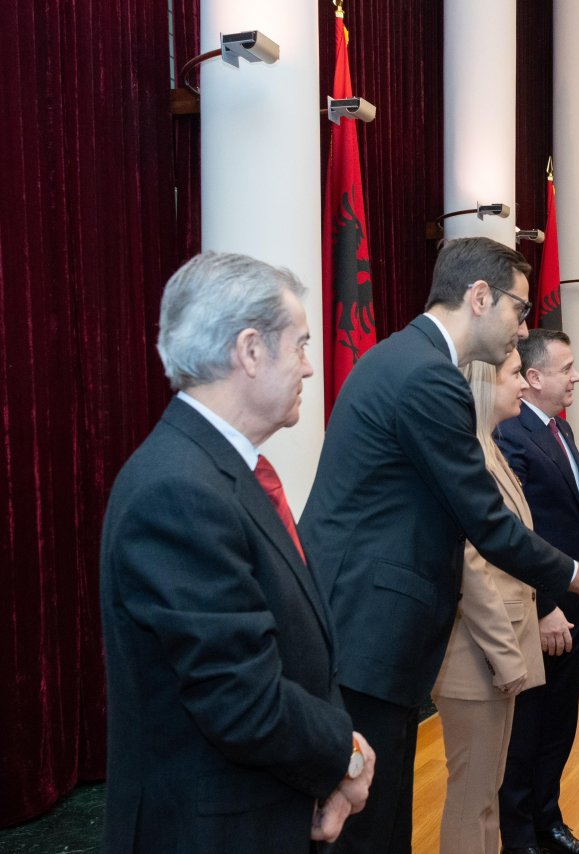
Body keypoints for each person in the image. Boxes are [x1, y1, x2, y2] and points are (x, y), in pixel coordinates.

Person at [299, 236, 579, 854]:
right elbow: (487, 522)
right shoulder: (429, 377)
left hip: (368, 631)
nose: (522, 326)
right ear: (480, 297)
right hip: (370, 634)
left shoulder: (403, 359)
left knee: (382, 821)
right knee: (368, 833)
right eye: (519, 309)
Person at [99, 252, 375, 852]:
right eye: (300, 345)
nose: (308, 368)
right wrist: (344, 757)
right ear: (251, 351)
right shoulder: (179, 489)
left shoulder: (216, 471)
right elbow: (241, 699)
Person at [432, 351, 546, 854]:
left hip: (494, 652)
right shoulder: (470, 458)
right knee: (470, 798)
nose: (524, 383)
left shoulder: (489, 449)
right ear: (483, 383)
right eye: (515, 373)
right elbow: (471, 567)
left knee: (487, 798)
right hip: (476, 657)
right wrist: (506, 654)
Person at [495, 330, 579, 854]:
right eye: (567, 368)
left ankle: (548, 822)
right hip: (543, 611)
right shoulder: (512, 435)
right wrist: (544, 607)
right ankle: (519, 839)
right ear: (533, 378)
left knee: (560, 722)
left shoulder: (561, 431)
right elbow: (516, 535)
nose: (577, 376)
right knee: (527, 730)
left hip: (571, 606)